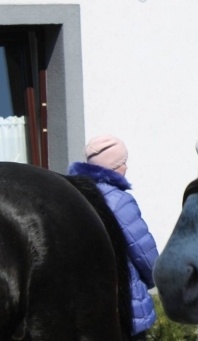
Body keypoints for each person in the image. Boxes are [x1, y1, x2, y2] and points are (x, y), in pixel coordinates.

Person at [69, 135, 159, 340]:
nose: (126, 167)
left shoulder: (76, 196)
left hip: (86, 304)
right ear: (114, 167)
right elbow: (144, 252)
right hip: (123, 302)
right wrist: (156, 277)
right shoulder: (119, 201)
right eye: (123, 162)